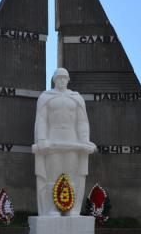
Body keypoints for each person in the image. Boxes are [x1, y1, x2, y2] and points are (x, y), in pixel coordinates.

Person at [33, 68, 96, 216]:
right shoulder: (46, 97)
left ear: (68, 80)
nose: (62, 80)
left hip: (72, 140)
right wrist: (42, 139)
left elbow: (82, 122)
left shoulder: (76, 98)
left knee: (71, 176)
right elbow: (41, 120)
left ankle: (70, 209)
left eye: (64, 78)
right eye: (59, 78)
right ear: (54, 80)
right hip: (53, 141)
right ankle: (52, 209)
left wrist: (85, 140)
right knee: (52, 176)